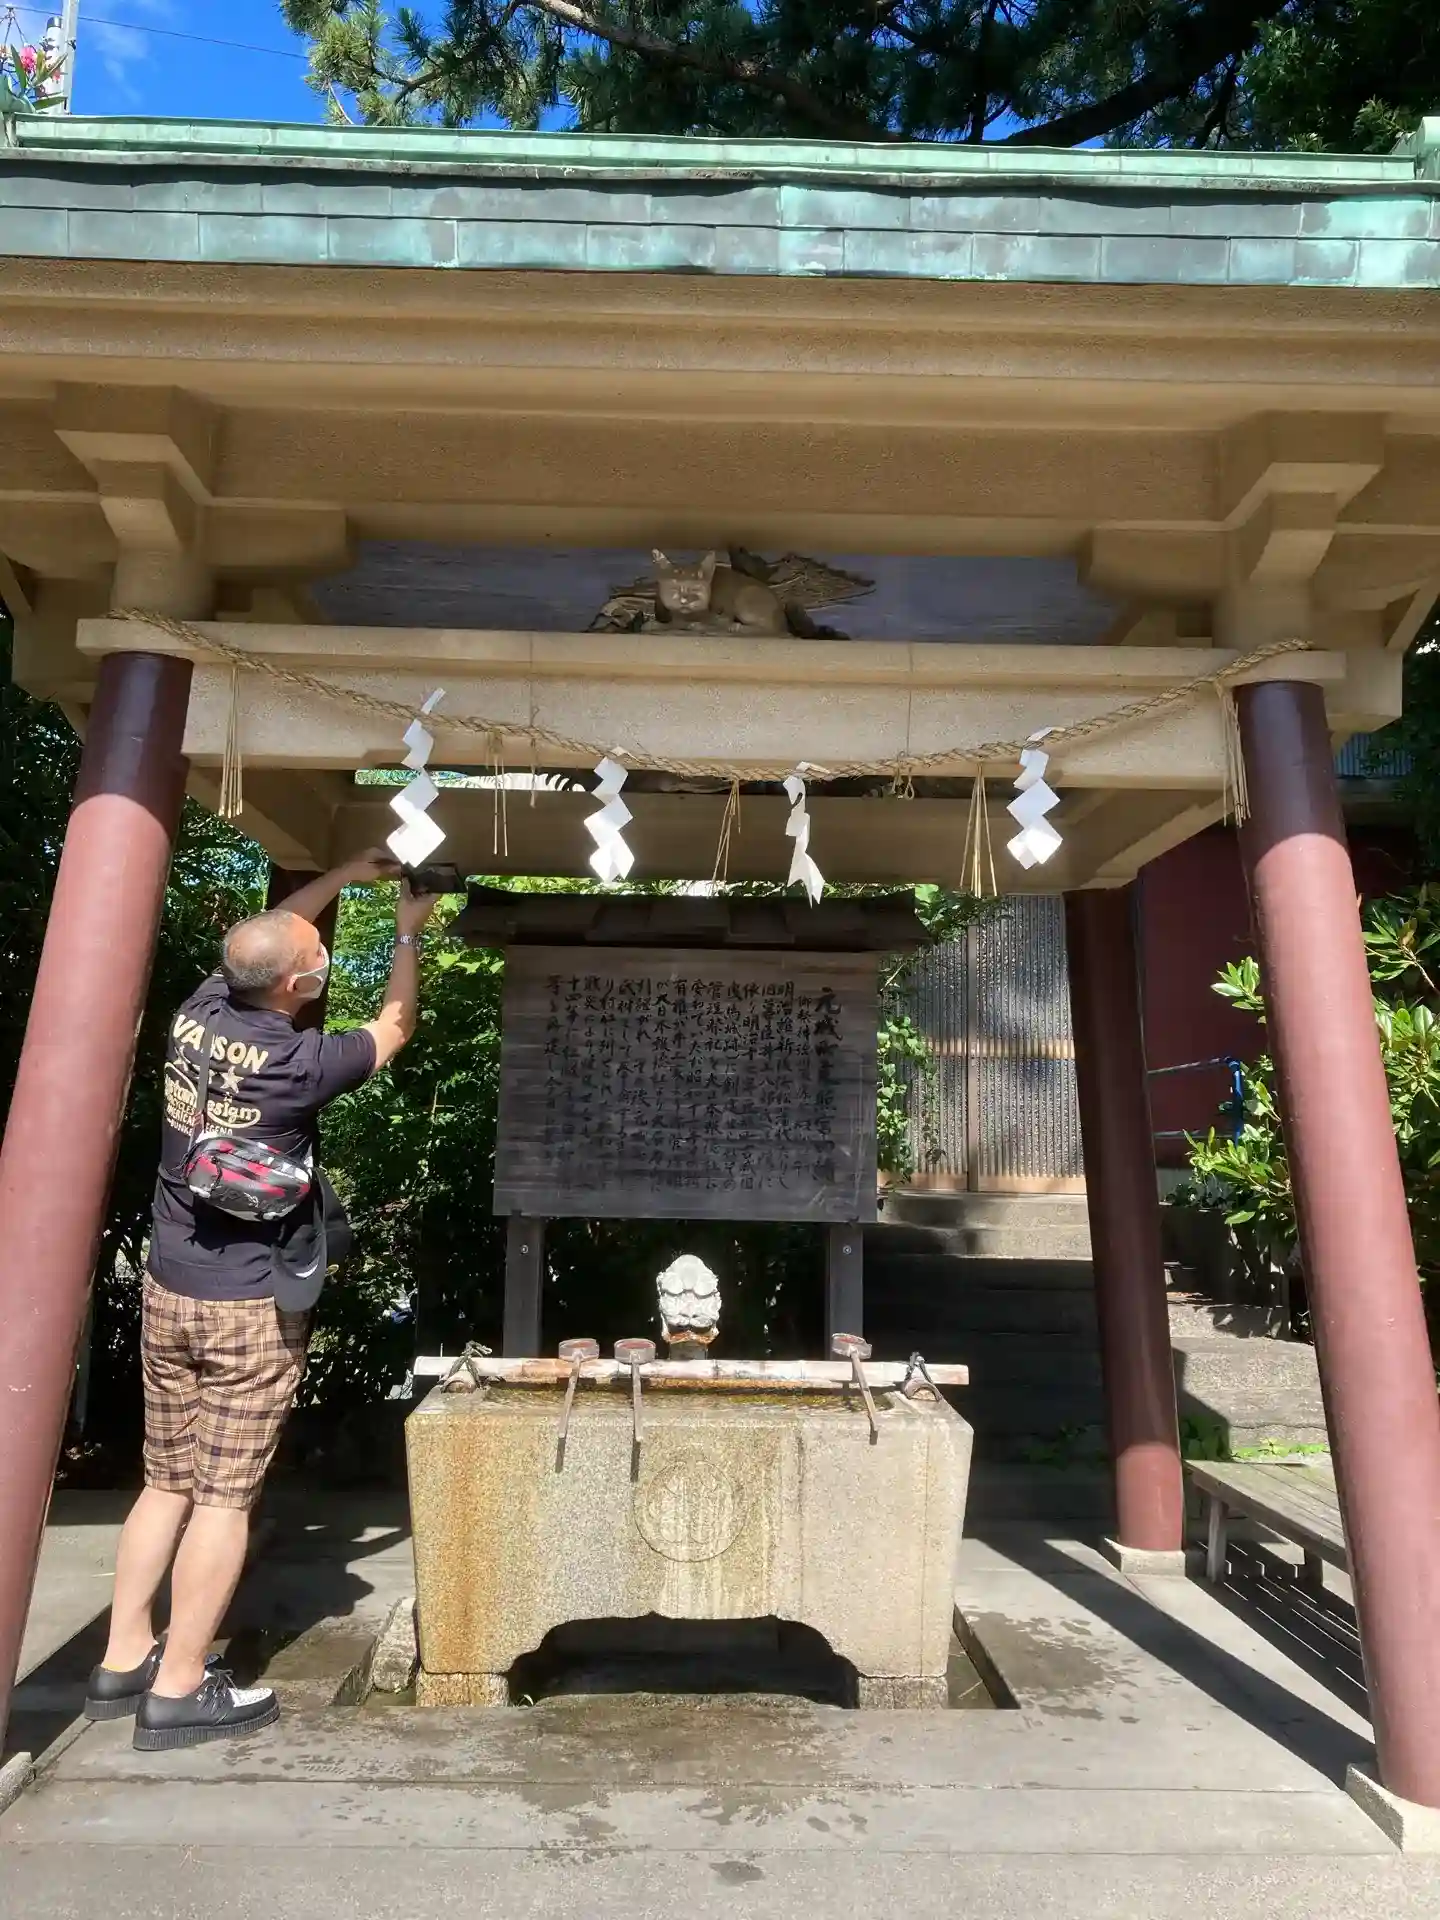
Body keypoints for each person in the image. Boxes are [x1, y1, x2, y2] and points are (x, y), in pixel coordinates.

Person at [84, 854, 439, 1750]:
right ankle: (180, 1687)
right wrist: (408, 931)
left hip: (171, 1282)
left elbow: (269, 932)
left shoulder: (198, 1013)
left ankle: (123, 1658)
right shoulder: (300, 1062)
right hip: (249, 1305)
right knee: (224, 1498)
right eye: (318, 957)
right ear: (294, 984)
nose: (321, 962)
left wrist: (344, 872)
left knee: (165, 1482)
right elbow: (395, 1025)